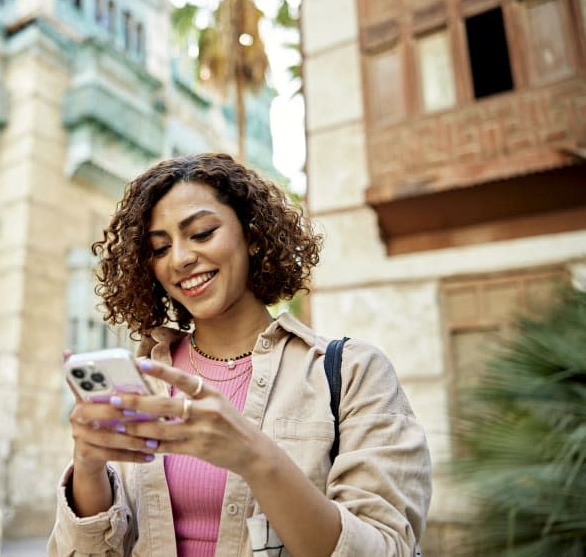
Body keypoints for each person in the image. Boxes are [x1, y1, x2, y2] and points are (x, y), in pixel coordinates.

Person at [48, 153, 431, 556]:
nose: (179, 258)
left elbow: (389, 548)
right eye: (160, 249)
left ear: (251, 235)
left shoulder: (352, 373)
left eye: (201, 233)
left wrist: (254, 456)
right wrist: (88, 468)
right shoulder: (143, 382)